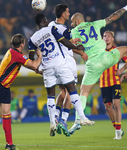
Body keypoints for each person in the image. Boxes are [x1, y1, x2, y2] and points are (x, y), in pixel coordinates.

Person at [69, 0, 127, 134]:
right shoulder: (95, 23)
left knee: (83, 93)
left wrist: (81, 52)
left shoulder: (74, 31)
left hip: (92, 64)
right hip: (105, 57)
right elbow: (113, 17)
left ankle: (77, 120)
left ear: (78, 21)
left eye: (72, 21)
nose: (71, 24)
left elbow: (74, 47)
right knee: (126, 49)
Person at [28, 13, 95, 137]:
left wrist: (38, 61)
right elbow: (64, 42)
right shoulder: (51, 29)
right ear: (44, 20)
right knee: (72, 90)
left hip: (47, 67)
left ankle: (53, 122)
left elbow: (31, 58)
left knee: (50, 96)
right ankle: (82, 117)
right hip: (60, 64)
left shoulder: (32, 39)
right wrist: (77, 48)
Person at [0, 33, 42, 150]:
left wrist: (35, 68)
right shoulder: (17, 55)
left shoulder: (13, 52)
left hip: (4, 86)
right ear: (22, 44)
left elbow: (29, 65)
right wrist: (39, 56)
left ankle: (9, 144)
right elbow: (34, 64)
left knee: (6, 113)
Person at [47, 4, 88, 136]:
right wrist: (81, 51)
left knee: (63, 93)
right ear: (63, 14)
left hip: (55, 63)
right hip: (66, 62)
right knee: (70, 92)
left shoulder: (50, 26)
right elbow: (69, 45)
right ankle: (63, 121)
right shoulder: (64, 30)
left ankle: (55, 118)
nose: (69, 14)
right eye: (68, 12)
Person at [99, 30, 127, 139]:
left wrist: (121, 70)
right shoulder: (99, 51)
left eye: (108, 36)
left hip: (115, 81)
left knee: (116, 104)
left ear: (112, 39)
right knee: (108, 107)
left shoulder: (117, 51)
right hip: (103, 82)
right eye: (104, 36)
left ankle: (117, 132)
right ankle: (117, 128)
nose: (106, 38)